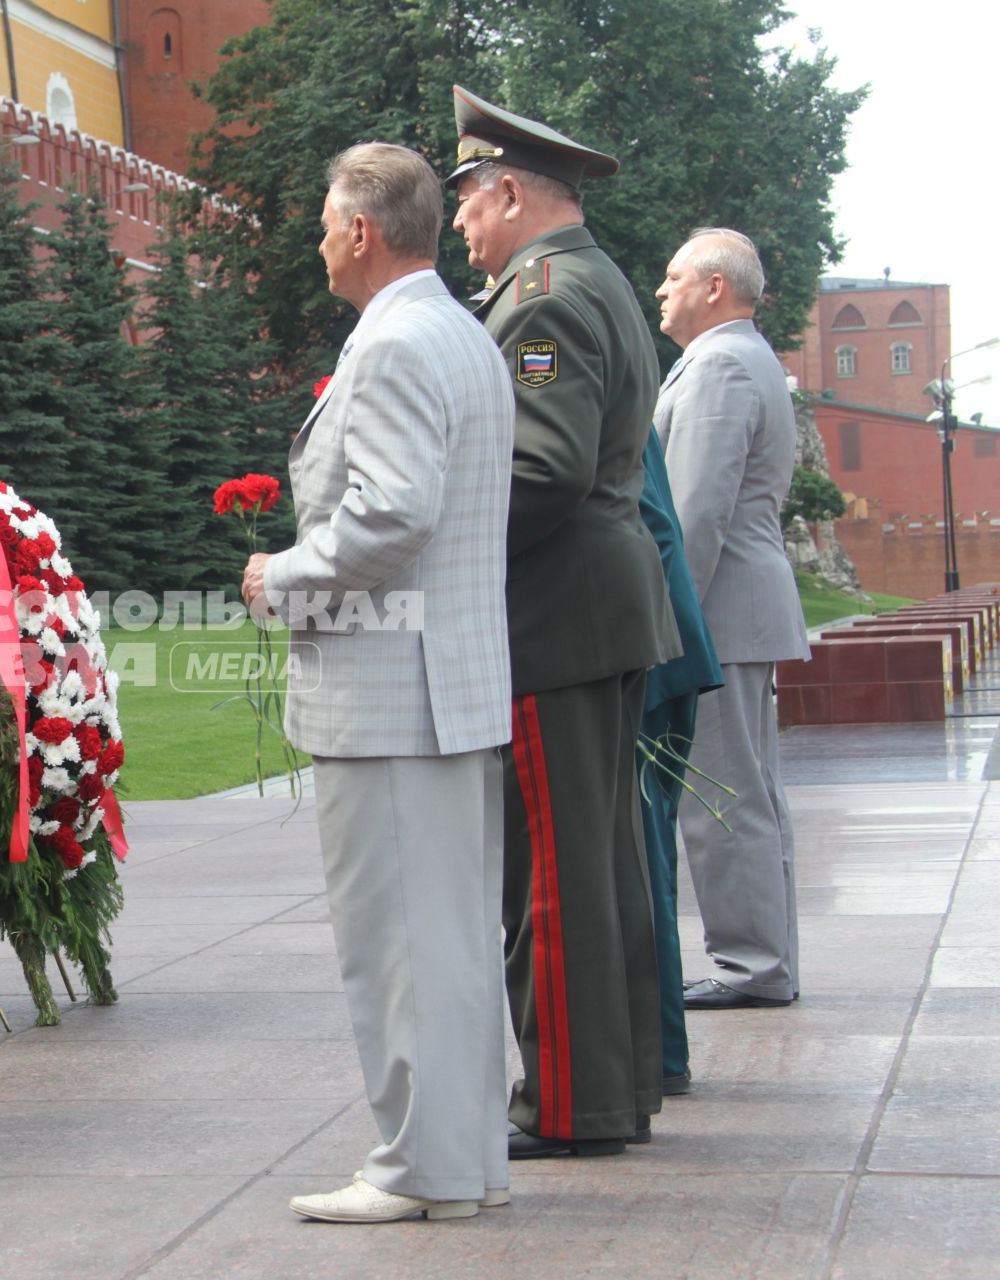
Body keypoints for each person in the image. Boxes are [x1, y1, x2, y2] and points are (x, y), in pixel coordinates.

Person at [242, 142, 514, 1223]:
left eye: (323, 220)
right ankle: (461, 1160)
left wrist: (284, 577)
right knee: (442, 943)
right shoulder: (455, 329)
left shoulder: (396, 341)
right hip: (441, 682)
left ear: (362, 231)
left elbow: (395, 511)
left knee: (398, 946)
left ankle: (417, 1166)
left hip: (394, 689)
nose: (315, 239)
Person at [445, 86, 682, 1158]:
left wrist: (437, 539)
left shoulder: (540, 296)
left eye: (467, 200)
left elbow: (542, 470)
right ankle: (615, 1085)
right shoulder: (586, 278)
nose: (459, 222)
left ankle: (573, 1102)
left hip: (556, 611)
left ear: (507, 189)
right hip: (597, 605)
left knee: (552, 876)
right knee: (597, 863)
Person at [653, 228, 810, 1010]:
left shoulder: (719, 364)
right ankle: (763, 959)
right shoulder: (741, 357)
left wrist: (665, 621)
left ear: (716, 288)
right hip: (740, 608)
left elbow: (694, 513)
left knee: (720, 795)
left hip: (718, 610)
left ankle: (751, 964)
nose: (662, 290)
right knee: (746, 790)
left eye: (675, 277)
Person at [636, 432, 723, 1095]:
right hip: (654, 638)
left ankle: (656, 1051)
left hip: (639, 649)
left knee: (637, 860)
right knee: (643, 855)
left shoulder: (545, 328)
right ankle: (654, 1049)